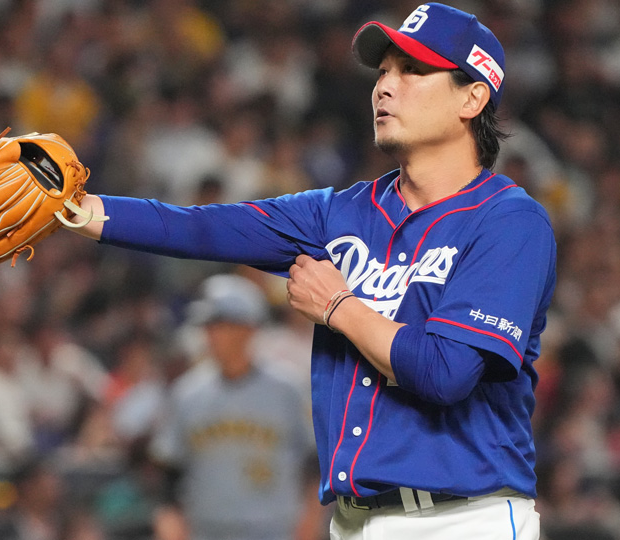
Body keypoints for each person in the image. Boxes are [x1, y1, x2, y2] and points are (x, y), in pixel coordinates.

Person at [66, 3, 556, 538]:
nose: (384, 86)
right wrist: (73, 208)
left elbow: (446, 372)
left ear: (472, 97)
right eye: (384, 71)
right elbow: (199, 228)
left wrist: (339, 307)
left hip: (463, 520)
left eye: (413, 70)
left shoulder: (509, 222)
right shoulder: (338, 213)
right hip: (353, 521)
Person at [148, 274, 318, 540]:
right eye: (208, 327)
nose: (211, 336)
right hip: (206, 531)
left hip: (275, 530)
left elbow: (314, 464)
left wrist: (311, 520)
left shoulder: (288, 389)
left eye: (220, 326)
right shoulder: (187, 393)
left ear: (248, 328)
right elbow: (170, 472)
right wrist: (170, 520)